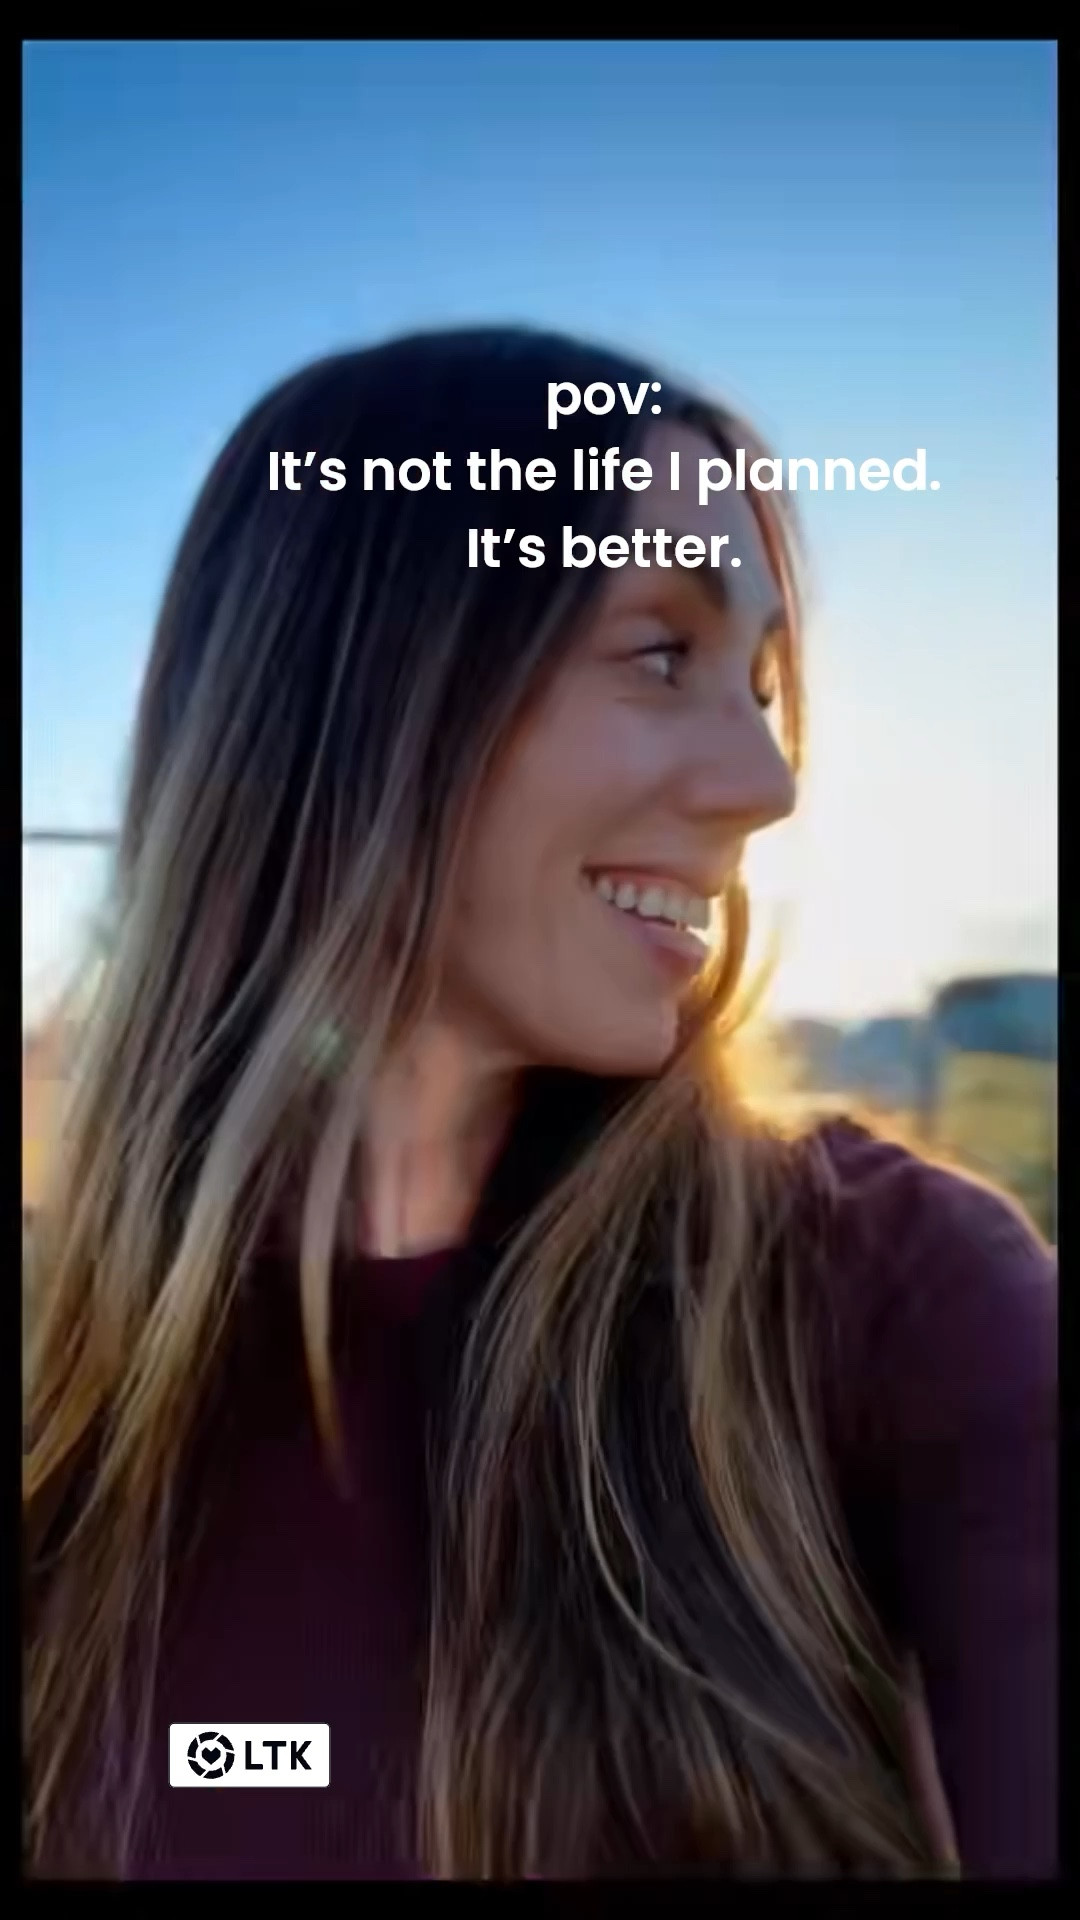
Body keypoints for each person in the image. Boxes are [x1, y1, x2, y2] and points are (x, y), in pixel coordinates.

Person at [23, 327, 1056, 1881]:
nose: (768, 783)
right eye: (663, 655)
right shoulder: (58, 1385)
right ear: (355, 693)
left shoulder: (892, 1297)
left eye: (763, 686)